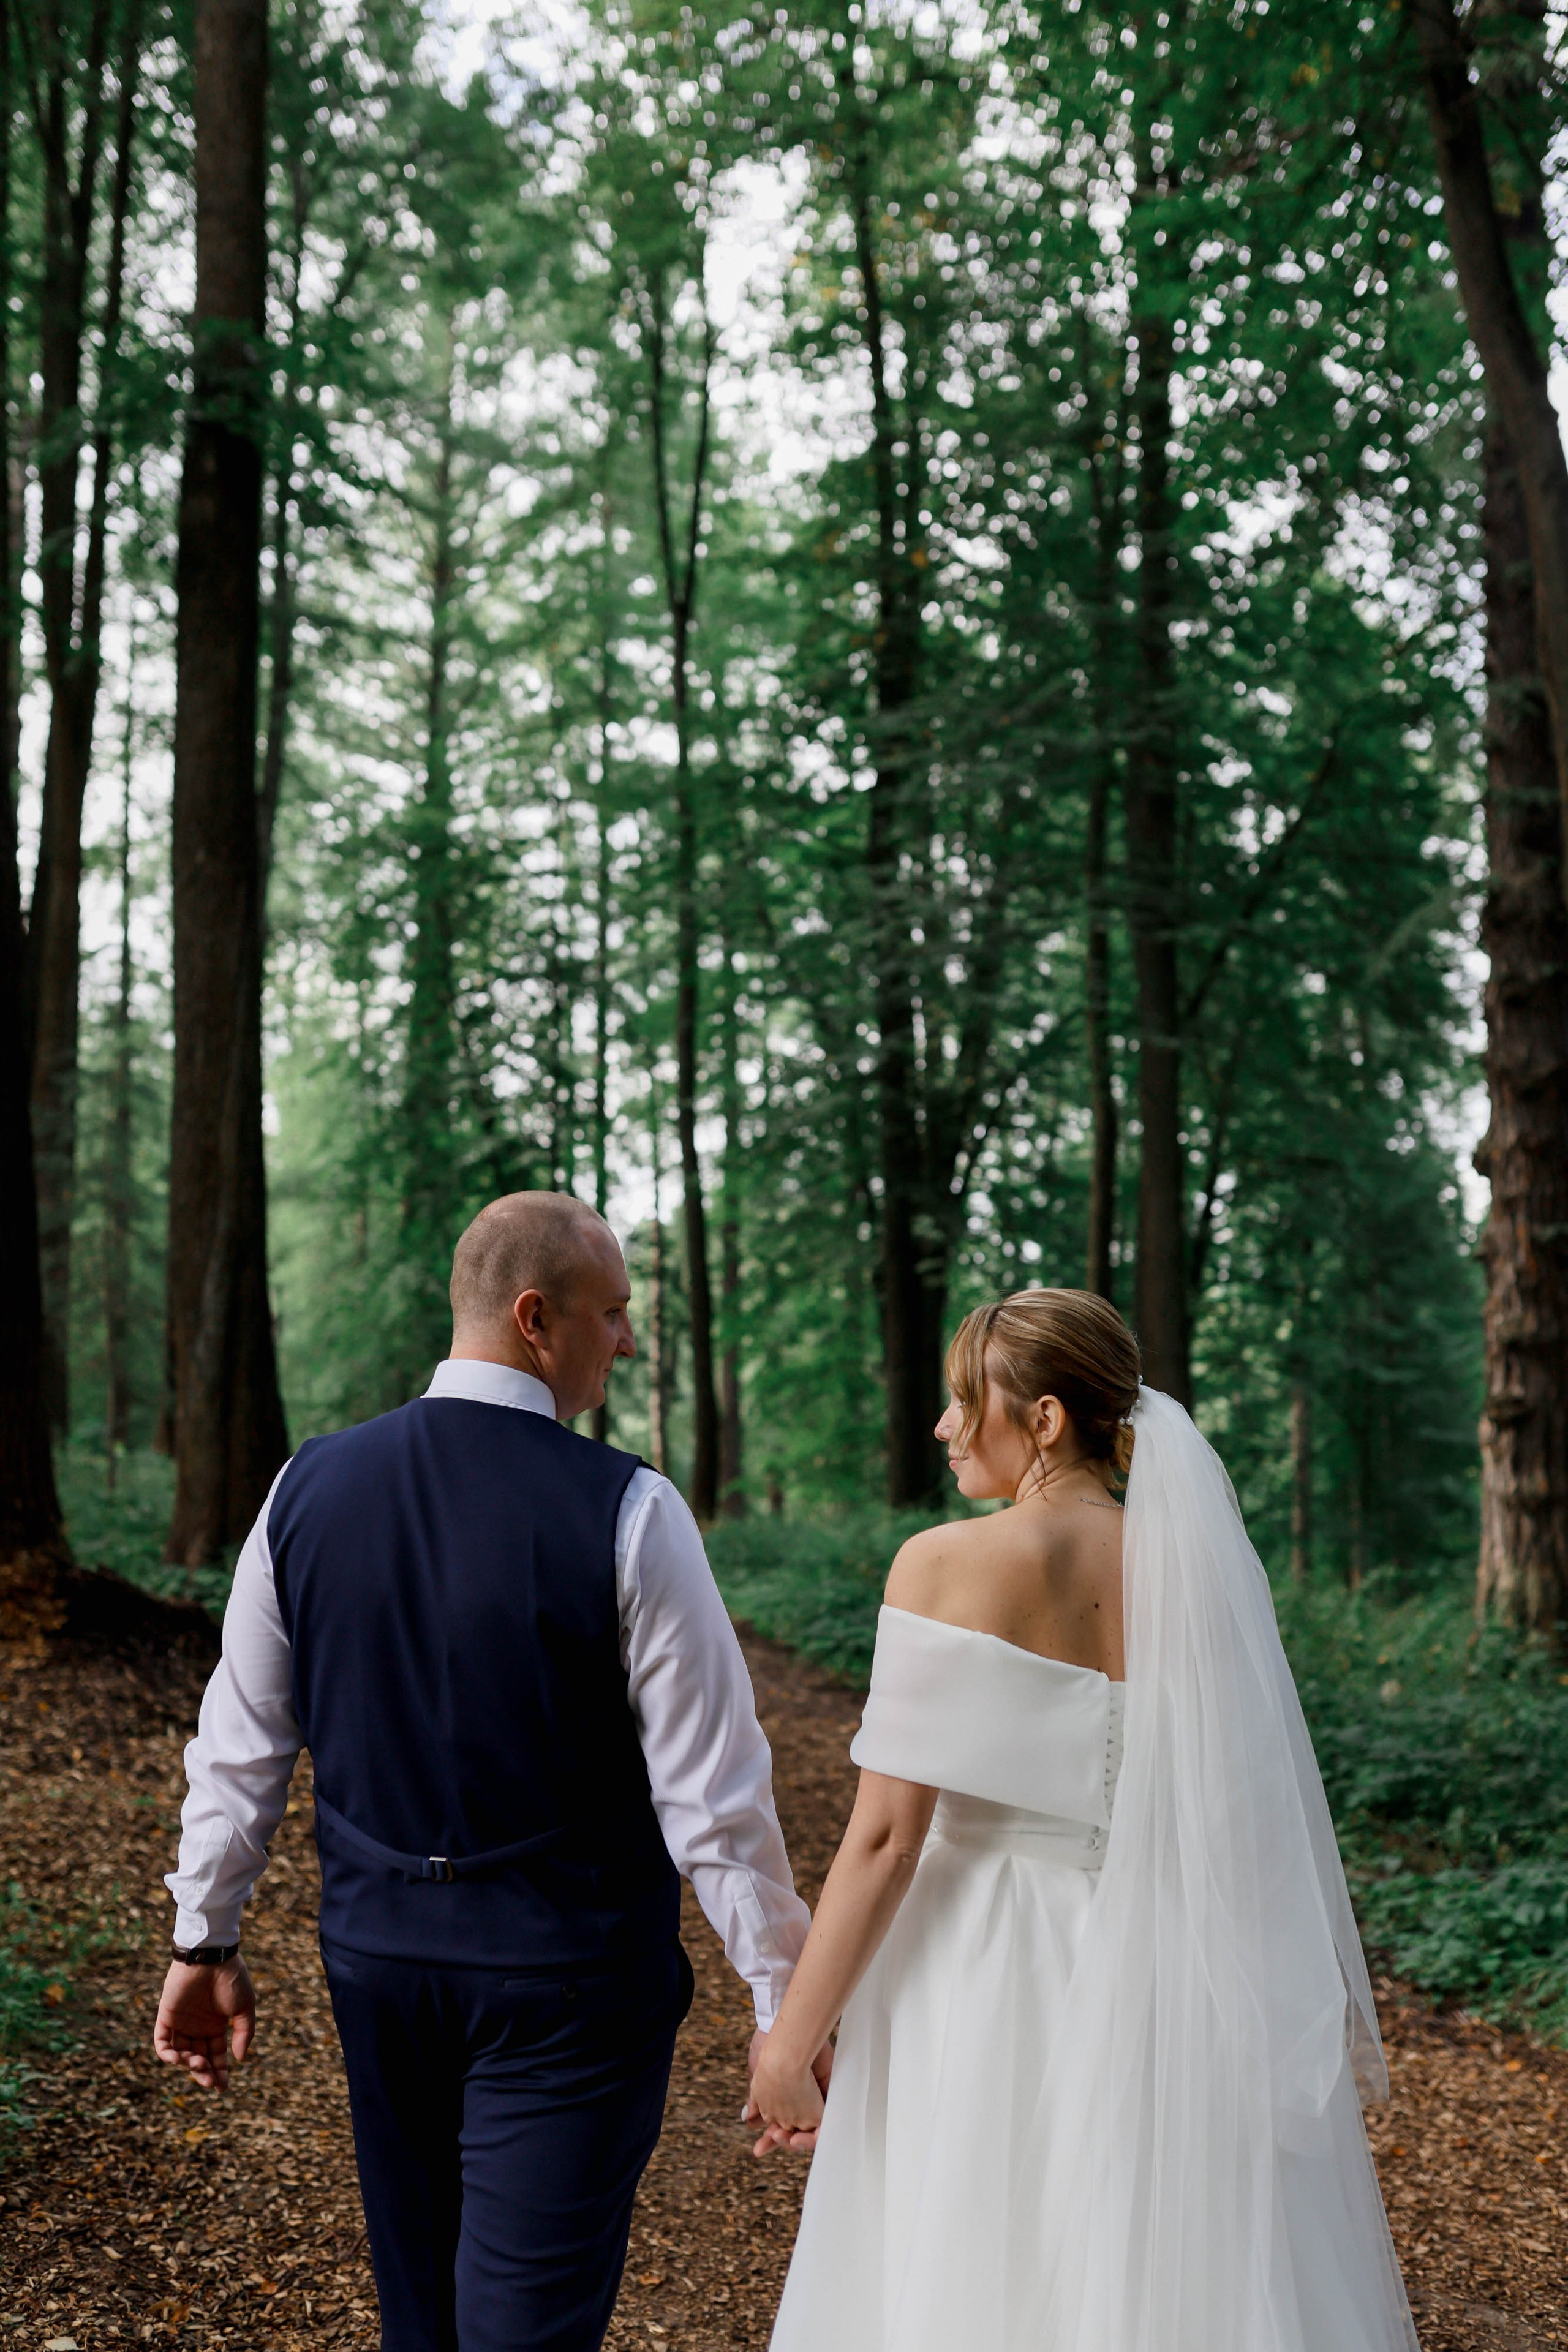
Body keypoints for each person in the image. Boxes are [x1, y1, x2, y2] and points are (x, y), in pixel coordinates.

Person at [154, 1191, 815, 2352]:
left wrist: (203, 1942)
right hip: (571, 1985)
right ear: (533, 1318)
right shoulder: (632, 1510)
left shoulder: (301, 1493)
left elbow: (241, 1749)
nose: (625, 1340)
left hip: (382, 1971)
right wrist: (785, 2006)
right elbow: (714, 1802)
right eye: (611, 1314)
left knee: (424, 2324)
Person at [748, 1286, 1420, 2352]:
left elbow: (885, 1841)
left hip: (982, 1968)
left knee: (975, 2255)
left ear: (1047, 1419)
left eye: (966, 1400)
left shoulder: (940, 1565)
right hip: (1166, 1969)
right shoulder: (1195, 1576)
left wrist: (791, 2043)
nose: (944, 1426)